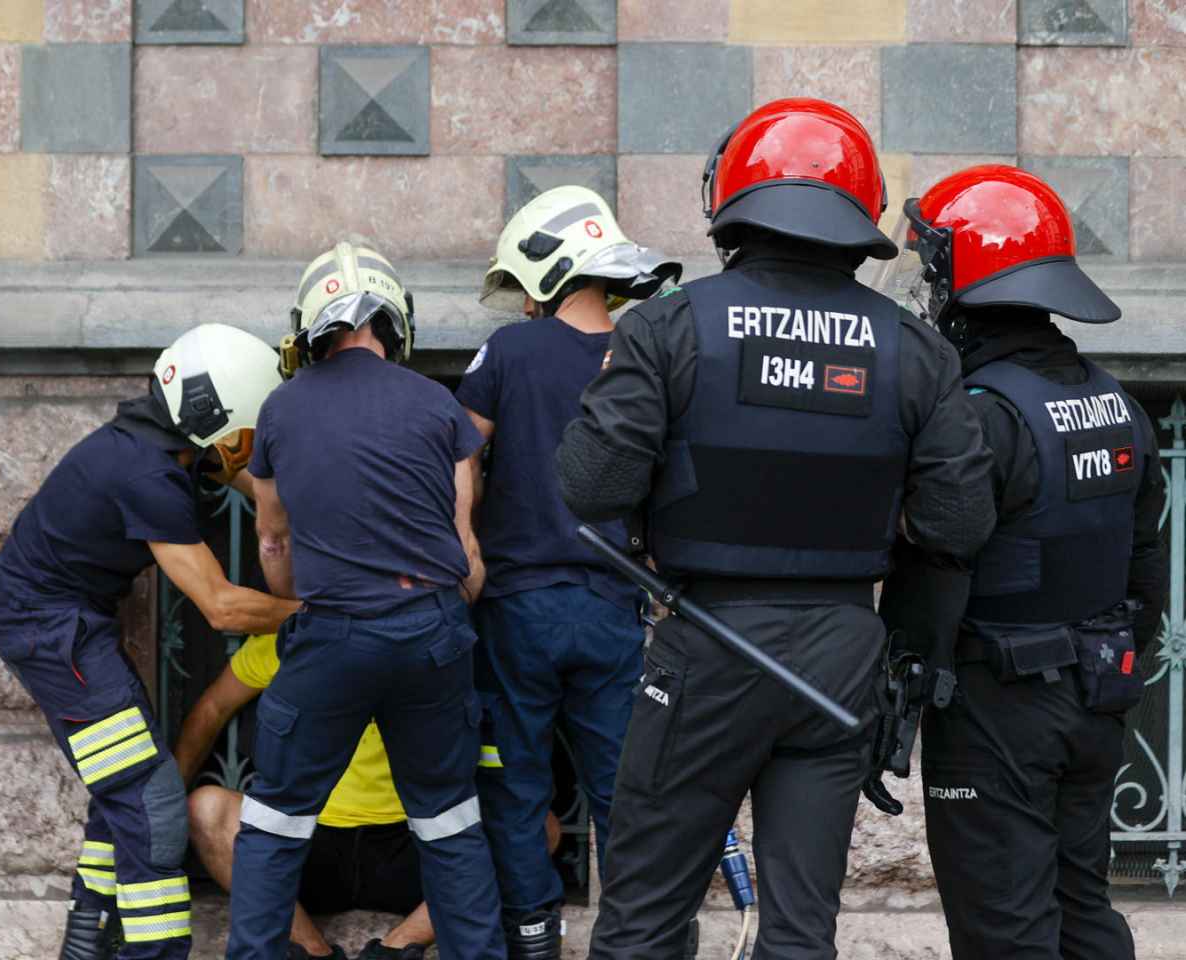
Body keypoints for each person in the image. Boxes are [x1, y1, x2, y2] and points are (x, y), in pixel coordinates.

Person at [555, 98, 995, 960]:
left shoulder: (669, 326)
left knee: (644, 920)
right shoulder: (915, 350)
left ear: (736, 203)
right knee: (800, 932)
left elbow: (589, 486)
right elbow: (959, 521)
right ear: (856, 213)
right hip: (840, 650)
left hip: (709, 643)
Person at [896, 165, 1165, 960]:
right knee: (1082, 910)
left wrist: (909, 685)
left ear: (965, 284)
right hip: (1096, 694)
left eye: (932, 273)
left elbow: (938, 566)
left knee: (1003, 932)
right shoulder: (1113, 398)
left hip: (997, 705)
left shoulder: (983, 415)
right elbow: (1146, 565)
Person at [225, 242, 506, 960]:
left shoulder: (281, 410)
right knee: (448, 822)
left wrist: (298, 606)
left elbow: (273, 544)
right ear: (394, 323)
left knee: (277, 822)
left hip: (333, 637)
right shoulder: (438, 406)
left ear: (311, 327)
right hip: (432, 631)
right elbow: (465, 548)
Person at [0, 323, 299, 960]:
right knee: (152, 801)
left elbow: (246, 477)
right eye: (249, 435)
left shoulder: (157, 445)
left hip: (69, 624)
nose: (250, 452)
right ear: (215, 421)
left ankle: (85, 942)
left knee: (125, 782)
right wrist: (322, 609)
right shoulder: (147, 474)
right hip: (52, 632)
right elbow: (221, 607)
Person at [461, 185, 680, 960]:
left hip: (516, 607)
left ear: (544, 273)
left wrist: (469, 544)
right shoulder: (645, 351)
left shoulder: (508, 353)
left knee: (516, 787)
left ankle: (532, 939)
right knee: (628, 790)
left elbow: (460, 451)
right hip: (612, 608)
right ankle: (639, 939)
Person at [178, 633, 568, 960]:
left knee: (537, 829)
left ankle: (396, 949)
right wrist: (163, 807)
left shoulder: (434, 640)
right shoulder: (286, 640)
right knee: (206, 810)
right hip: (310, 843)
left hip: (413, 842)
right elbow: (212, 707)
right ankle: (311, 950)